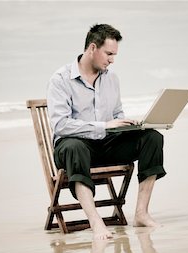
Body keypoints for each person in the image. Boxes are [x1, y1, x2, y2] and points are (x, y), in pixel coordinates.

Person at [46, 24, 166, 240]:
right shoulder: (60, 79)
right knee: (74, 146)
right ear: (93, 48)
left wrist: (130, 125)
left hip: (106, 144)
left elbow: (116, 114)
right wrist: (104, 126)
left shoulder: (111, 78)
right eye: (109, 54)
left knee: (152, 137)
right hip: (74, 147)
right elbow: (61, 125)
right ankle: (96, 221)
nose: (112, 60)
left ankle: (141, 213)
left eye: (114, 55)